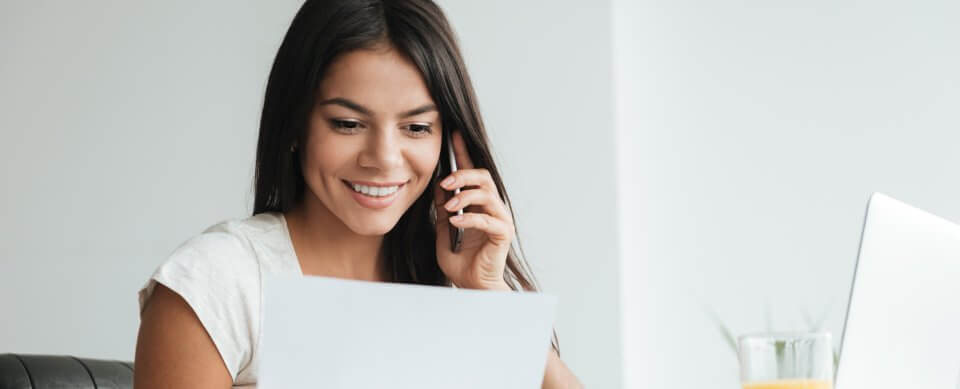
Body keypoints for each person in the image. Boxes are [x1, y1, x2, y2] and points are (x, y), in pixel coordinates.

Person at [134, 0, 583, 387]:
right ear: (295, 124)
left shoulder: (453, 285)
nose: (384, 158)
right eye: (348, 124)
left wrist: (490, 296)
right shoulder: (219, 282)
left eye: (416, 127)